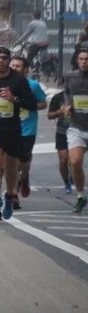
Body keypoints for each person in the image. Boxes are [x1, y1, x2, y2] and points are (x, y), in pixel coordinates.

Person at [0, 46, 38, 221]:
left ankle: (10, 195)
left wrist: (14, 99)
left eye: (4, 58)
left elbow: (32, 104)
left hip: (12, 128)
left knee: (10, 168)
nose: (1, 61)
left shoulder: (18, 80)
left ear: (9, 61)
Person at [10, 56, 47, 209]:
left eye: (18, 66)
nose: (14, 68)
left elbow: (43, 103)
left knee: (23, 161)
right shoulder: (6, 84)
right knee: (12, 163)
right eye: (13, 65)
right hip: (10, 128)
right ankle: (13, 195)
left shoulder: (33, 85)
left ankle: (24, 178)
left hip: (27, 129)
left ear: (25, 69)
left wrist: (28, 106)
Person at [64, 46, 88, 213]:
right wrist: (67, 105)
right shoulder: (69, 76)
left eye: (87, 59)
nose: (84, 62)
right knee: (75, 161)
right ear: (77, 60)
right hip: (77, 127)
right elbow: (66, 92)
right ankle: (81, 196)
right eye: (81, 59)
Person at [48, 90, 72, 193]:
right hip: (62, 132)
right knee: (63, 159)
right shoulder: (58, 97)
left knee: (73, 159)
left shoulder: (83, 94)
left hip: (78, 131)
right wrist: (60, 112)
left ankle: (74, 173)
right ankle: (67, 182)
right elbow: (49, 115)